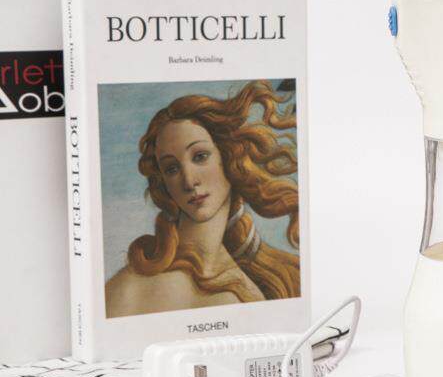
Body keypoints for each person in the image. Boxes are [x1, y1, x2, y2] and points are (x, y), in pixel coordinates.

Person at [105, 81, 300, 317]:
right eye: (171, 169)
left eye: (200, 156)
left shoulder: (259, 280)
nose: (189, 181)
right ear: (164, 183)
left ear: (228, 157)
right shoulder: (129, 290)